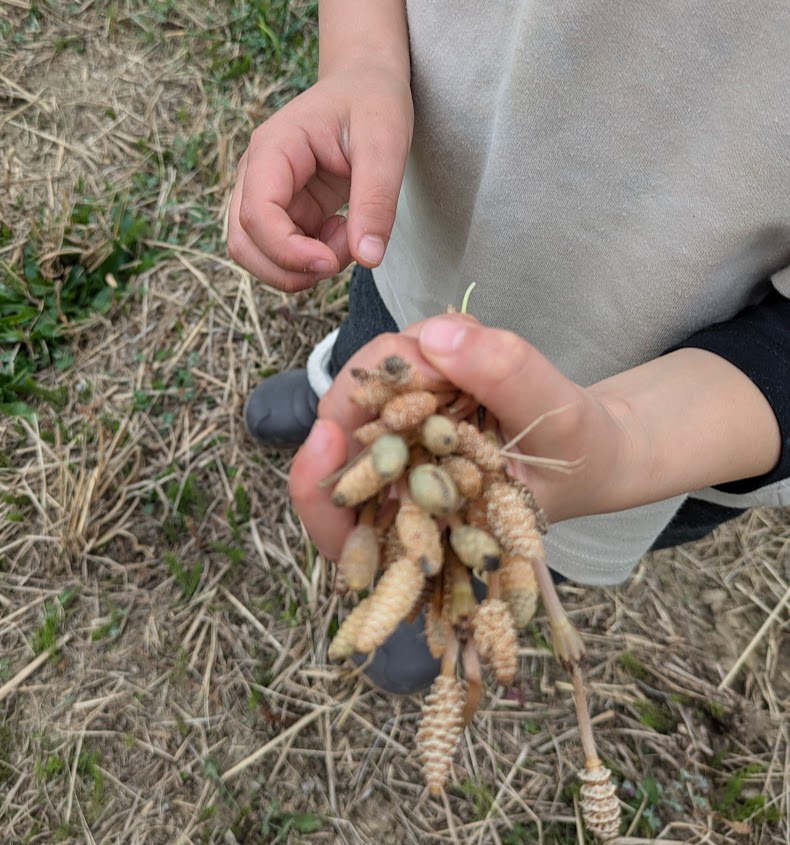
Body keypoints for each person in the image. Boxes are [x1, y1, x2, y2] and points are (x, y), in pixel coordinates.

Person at [227, 2, 790, 691]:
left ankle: (444, 584)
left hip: (672, 407)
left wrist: (623, 446)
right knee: (373, 358)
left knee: (508, 517)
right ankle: (334, 390)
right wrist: (360, 60)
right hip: (433, 229)